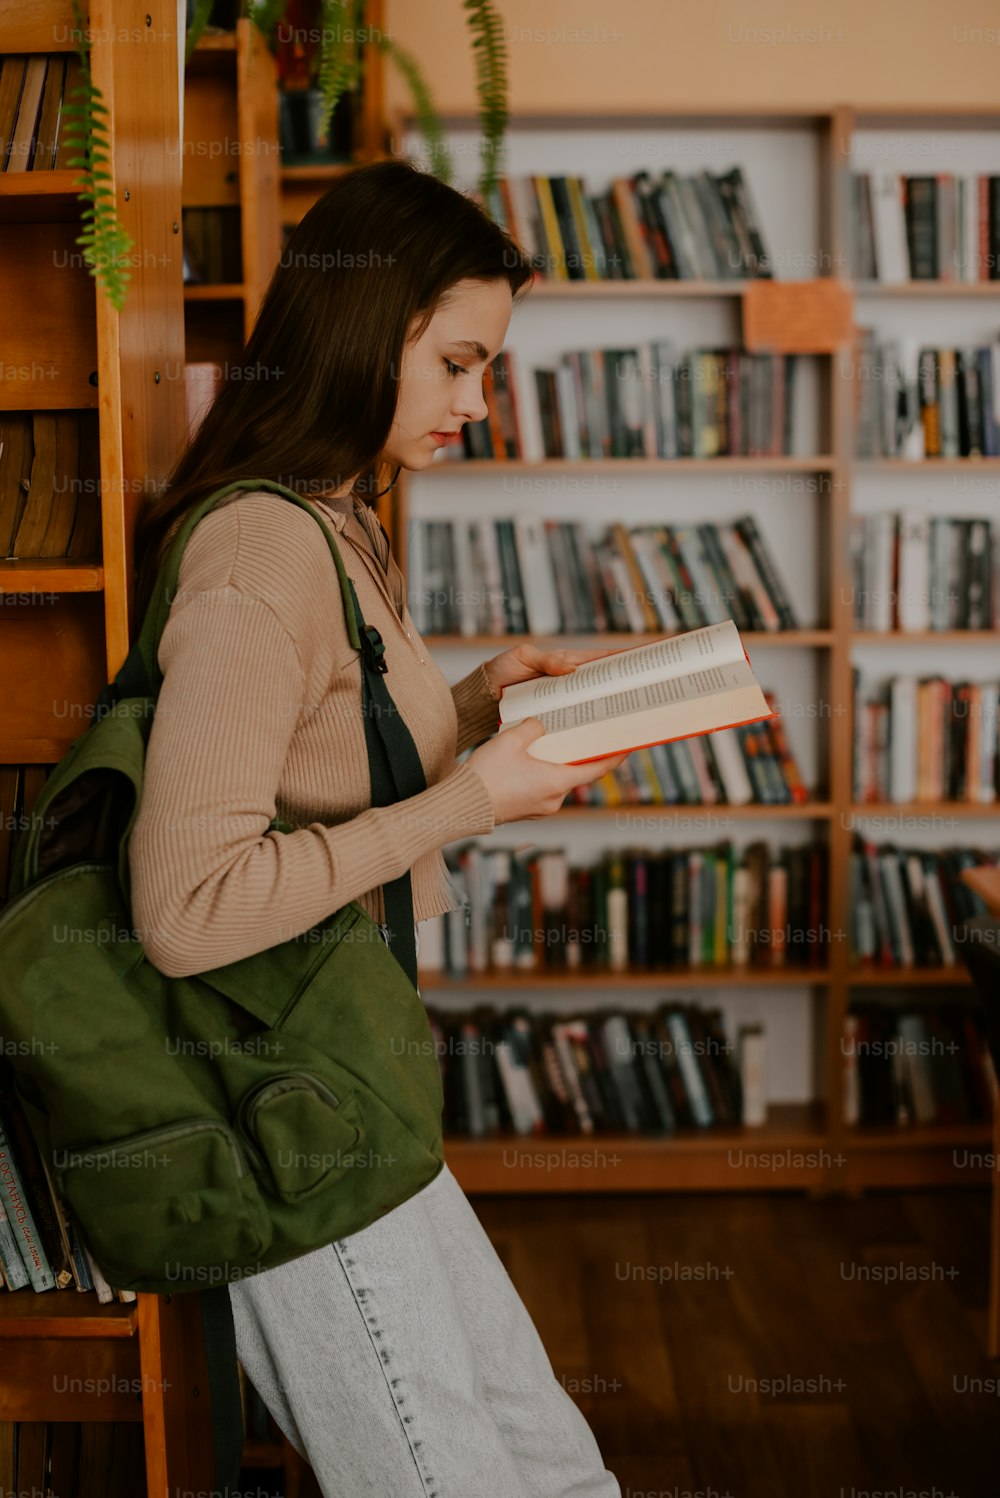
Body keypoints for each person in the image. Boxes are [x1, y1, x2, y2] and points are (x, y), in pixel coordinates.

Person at [129, 158, 626, 1496]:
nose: (479, 401)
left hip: (353, 1079)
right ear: (365, 330)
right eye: (459, 361)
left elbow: (313, 762)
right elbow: (184, 910)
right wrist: (468, 800)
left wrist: (469, 707)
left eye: (490, 367)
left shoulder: (336, 519)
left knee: (555, 1467)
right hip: (288, 1105)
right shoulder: (262, 548)